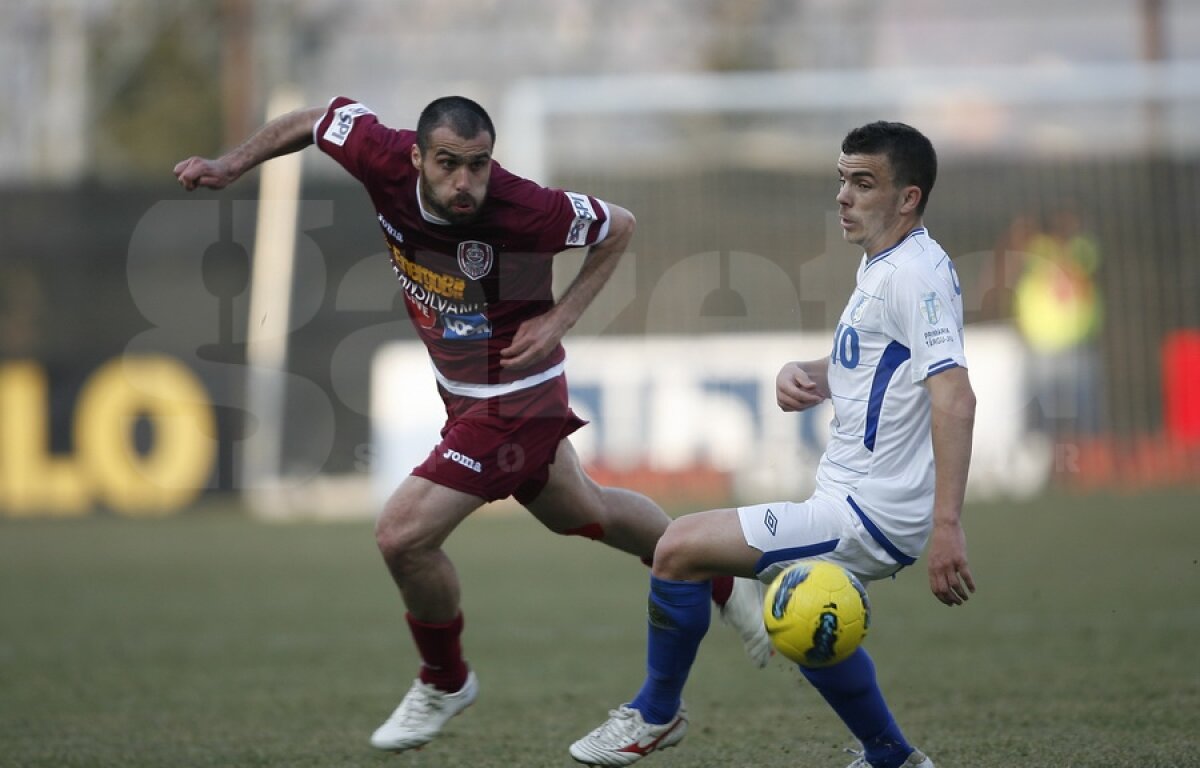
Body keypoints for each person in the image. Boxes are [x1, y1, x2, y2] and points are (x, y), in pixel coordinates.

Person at [174, 95, 771, 753]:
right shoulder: (379, 156)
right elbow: (313, 121)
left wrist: (561, 317)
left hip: (516, 401)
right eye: (449, 164)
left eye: (478, 165)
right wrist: (231, 164)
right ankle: (719, 575)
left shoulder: (522, 206)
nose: (465, 182)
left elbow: (618, 225)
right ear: (416, 158)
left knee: (402, 535)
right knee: (581, 511)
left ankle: (445, 679)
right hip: (465, 394)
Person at [569, 121, 977, 768]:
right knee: (803, 620)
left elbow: (954, 395)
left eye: (864, 183)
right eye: (842, 179)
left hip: (870, 512)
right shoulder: (891, 264)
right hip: (852, 498)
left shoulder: (914, 275)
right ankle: (891, 755)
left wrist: (948, 525)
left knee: (677, 548)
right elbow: (878, 360)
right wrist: (815, 375)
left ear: (908, 198)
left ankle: (654, 713)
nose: (843, 195)